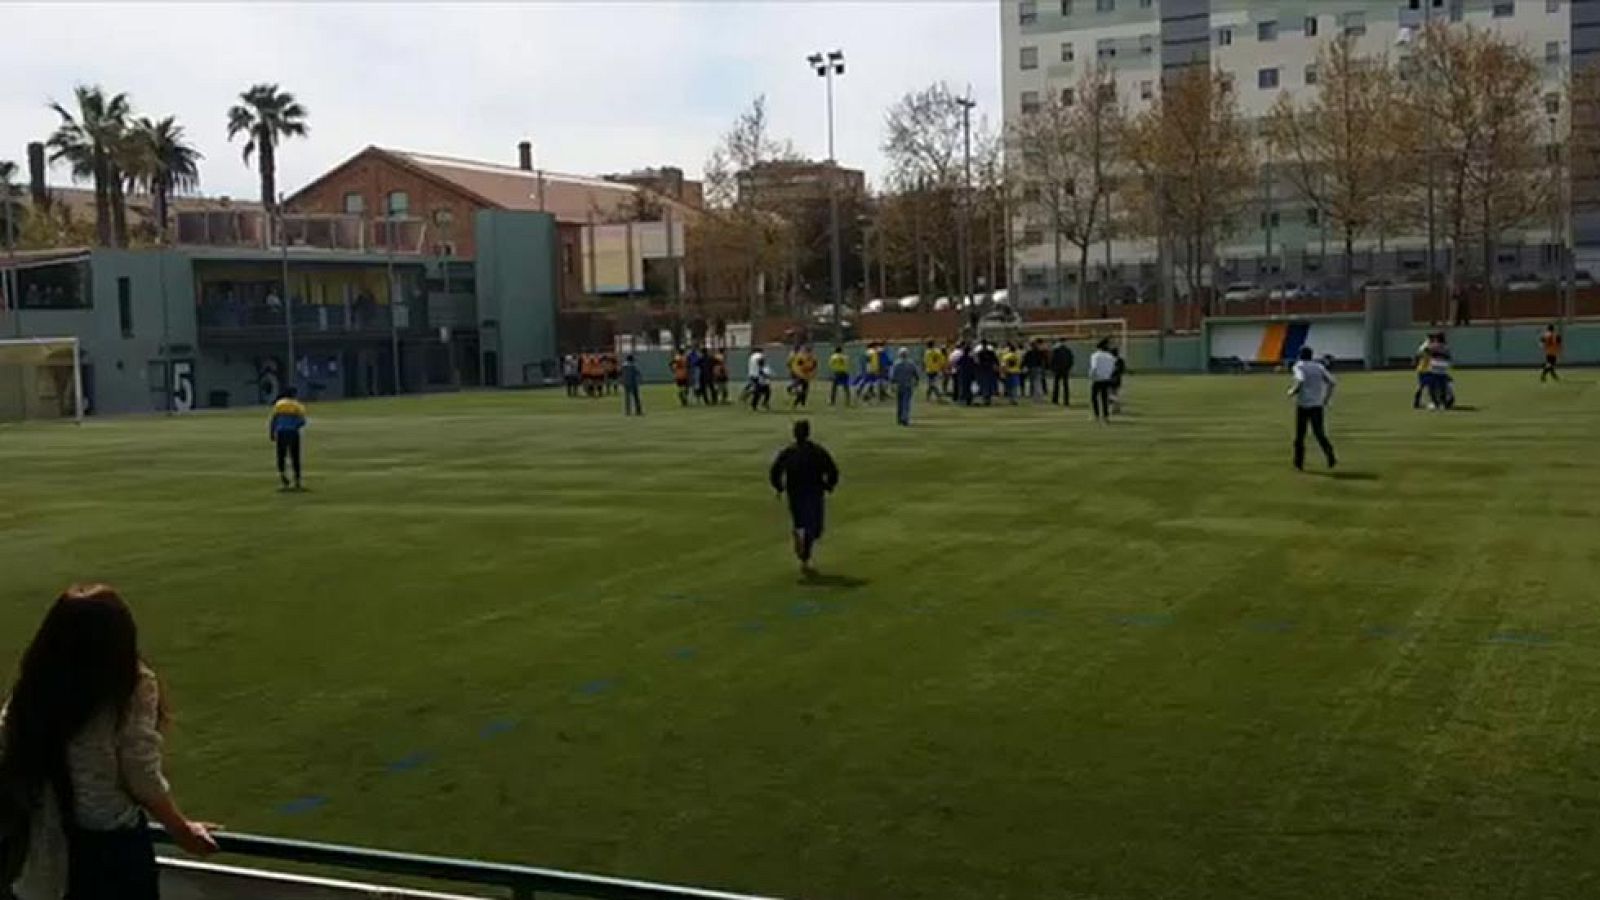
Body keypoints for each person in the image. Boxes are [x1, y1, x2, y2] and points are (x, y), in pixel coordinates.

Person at [0, 585, 218, 900]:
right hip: (110, 842)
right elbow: (140, 770)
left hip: (45, 836)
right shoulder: (132, 684)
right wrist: (181, 830)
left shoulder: (34, 686)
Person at [768, 420, 840, 575]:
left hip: (794, 493)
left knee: (801, 521)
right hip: (814, 493)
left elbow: (775, 471)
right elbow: (832, 469)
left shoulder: (788, 452)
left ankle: (800, 539)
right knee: (815, 527)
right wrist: (829, 485)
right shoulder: (817, 451)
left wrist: (779, 487)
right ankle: (805, 555)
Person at [1287, 345, 1338, 471]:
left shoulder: (1299, 366)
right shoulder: (1318, 366)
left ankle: (1298, 463)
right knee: (1319, 433)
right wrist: (1326, 398)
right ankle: (1330, 454)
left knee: (1300, 435)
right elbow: (1332, 382)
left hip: (1303, 405)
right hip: (1317, 405)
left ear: (1300, 355)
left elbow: (1300, 379)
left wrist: (1292, 391)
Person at [268, 386, 307, 490]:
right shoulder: (297, 405)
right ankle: (297, 479)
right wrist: (294, 426)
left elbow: (273, 420)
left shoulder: (279, 405)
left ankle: (283, 476)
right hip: (293, 433)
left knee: (281, 456)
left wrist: (272, 432)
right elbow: (302, 421)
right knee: (295, 456)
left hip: (281, 433)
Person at [1087, 340, 1117, 423]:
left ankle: (1096, 415)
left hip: (1097, 379)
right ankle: (1105, 416)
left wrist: (1091, 376)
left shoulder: (1095, 356)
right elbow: (1113, 368)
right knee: (1104, 398)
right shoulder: (1110, 356)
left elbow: (1094, 367)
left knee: (1094, 398)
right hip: (1106, 379)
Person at [890, 348, 920, 426]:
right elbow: (916, 374)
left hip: (899, 385)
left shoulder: (896, 364)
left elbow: (892, 376)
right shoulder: (911, 364)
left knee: (899, 403)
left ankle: (899, 419)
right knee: (906, 403)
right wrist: (916, 381)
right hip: (908, 385)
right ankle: (905, 419)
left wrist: (892, 385)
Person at [788, 345, 817, 409]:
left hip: (806, 377)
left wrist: (811, 374)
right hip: (800, 375)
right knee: (799, 388)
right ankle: (791, 388)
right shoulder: (801, 358)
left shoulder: (813, 359)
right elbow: (797, 366)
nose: (810, 353)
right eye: (808, 351)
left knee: (804, 391)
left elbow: (814, 368)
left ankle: (800, 403)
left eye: (810, 351)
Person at [1049, 338, 1074, 407]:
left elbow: (1052, 360)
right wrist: (1069, 368)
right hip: (1065, 370)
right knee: (1065, 386)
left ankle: (1055, 400)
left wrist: (1052, 369)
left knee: (1056, 385)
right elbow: (1071, 360)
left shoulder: (1056, 350)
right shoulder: (1068, 350)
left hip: (1057, 370)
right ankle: (1066, 401)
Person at [975, 341, 1000, 405]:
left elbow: (977, 362)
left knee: (986, 384)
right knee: (987, 384)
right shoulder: (989, 353)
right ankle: (986, 398)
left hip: (985, 370)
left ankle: (986, 398)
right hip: (987, 370)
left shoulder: (980, 353)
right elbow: (996, 361)